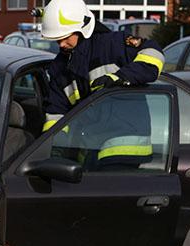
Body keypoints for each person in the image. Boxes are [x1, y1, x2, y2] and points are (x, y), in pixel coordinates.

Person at [39, 0, 165, 169]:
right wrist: (54, 148)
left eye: (66, 37)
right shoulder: (60, 68)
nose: (61, 44)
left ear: (82, 28)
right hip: (90, 148)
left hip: (125, 146)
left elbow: (154, 53)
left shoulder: (112, 44)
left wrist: (120, 77)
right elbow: (56, 113)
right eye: (57, 40)